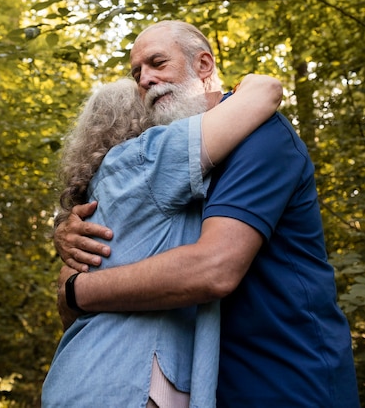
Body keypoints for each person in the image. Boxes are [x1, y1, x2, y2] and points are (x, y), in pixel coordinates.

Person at [54, 21, 360, 408]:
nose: (145, 80)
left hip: (289, 378)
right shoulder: (167, 159)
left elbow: (213, 269)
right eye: (137, 73)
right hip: (212, 385)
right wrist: (67, 234)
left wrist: (76, 291)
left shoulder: (259, 135)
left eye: (157, 63)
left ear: (203, 65)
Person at [42, 73, 282, 408]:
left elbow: (67, 304)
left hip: (83, 376)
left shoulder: (103, 192)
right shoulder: (148, 158)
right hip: (129, 381)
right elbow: (265, 92)